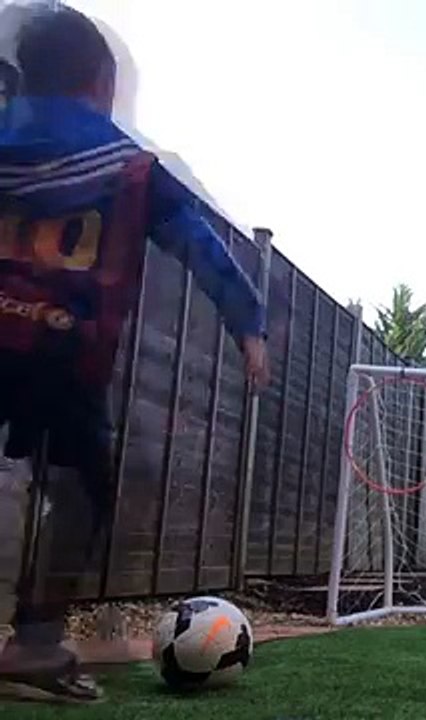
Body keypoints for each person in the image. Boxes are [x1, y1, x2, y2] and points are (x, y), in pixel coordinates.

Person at [0, 3, 269, 704]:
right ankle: (32, 644)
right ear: (100, 85)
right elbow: (202, 248)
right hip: (63, 357)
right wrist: (249, 326)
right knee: (82, 486)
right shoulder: (130, 168)